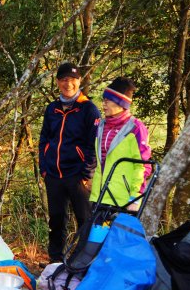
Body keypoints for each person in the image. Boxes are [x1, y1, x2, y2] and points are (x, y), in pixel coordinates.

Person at [39, 62, 101, 262]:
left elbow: (95, 144)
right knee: (56, 221)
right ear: (57, 82)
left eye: (73, 79)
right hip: (54, 174)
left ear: (79, 81)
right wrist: (44, 168)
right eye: (64, 79)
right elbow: (44, 139)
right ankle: (55, 262)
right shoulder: (52, 109)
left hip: (77, 175)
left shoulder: (88, 109)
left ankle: (82, 263)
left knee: (85, 221)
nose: (68, 84)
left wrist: (86, 173)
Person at [90, 77, 152, 211]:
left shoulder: (135, 128)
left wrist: (135, 198)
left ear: (121, 103)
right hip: (99, 198)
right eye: (103, 100)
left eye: (108, 101)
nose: (103, 105)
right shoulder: (101, 125)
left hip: (123, 202)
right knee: (91, 233)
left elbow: (142, 166)